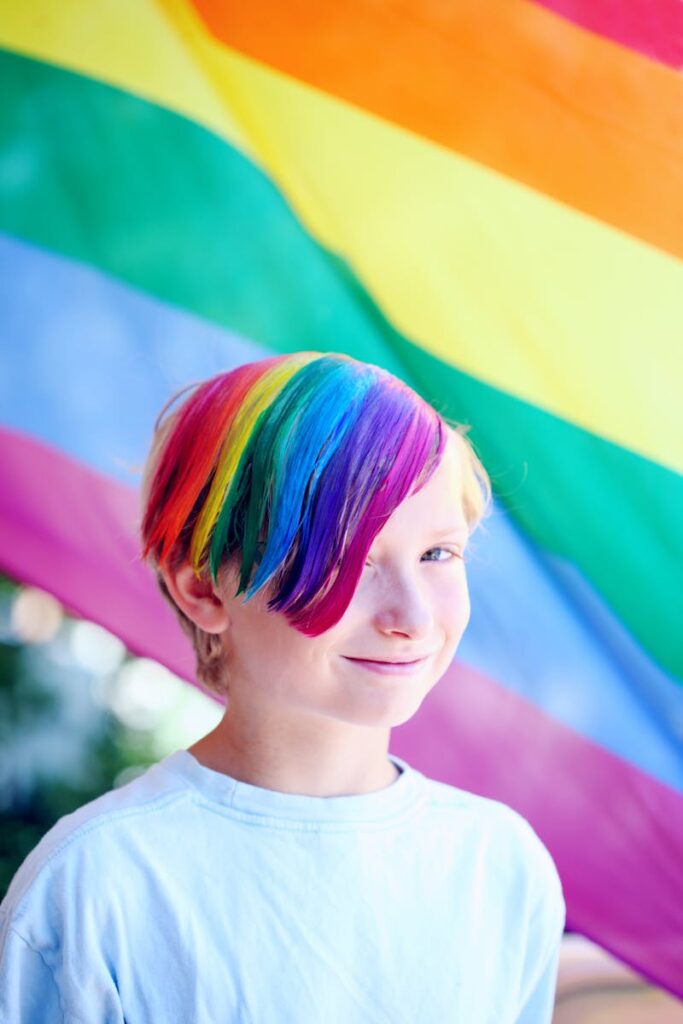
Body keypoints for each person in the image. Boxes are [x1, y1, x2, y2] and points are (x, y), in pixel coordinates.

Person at [0, 352, 565, 1022]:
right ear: (204, 586)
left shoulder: (498, 867)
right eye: (344, 557)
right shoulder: (95, 886)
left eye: (436, 554)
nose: (411, 618)